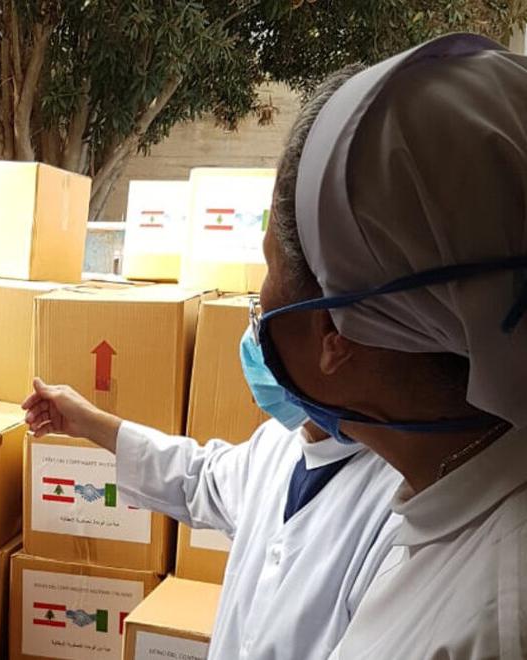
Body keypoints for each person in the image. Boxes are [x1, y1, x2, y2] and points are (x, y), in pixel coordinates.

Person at [24, 69, 406, 655]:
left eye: (267, 290)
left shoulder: (396, 515)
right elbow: (197, 476)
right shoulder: (281, 447)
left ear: (332, 334)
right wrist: (87, 421)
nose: (254, 325)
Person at [254, 33, 527, 657]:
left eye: (268, 266)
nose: (257, 302)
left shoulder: (489, 623)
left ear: (333, 334)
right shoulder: (461, 506)